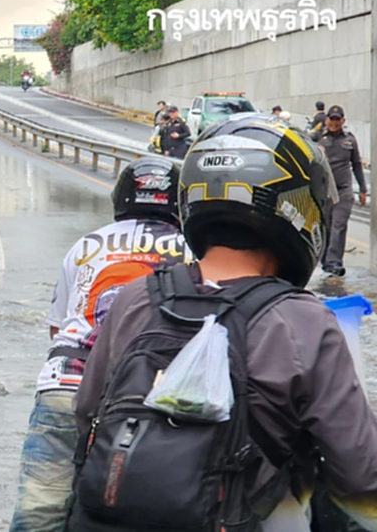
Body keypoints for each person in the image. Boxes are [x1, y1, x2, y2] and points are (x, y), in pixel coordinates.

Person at [71, 114, 377, 532]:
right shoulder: (303, 319)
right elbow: (360, 474)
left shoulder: (136, 297)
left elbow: (86, 414)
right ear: (300, 206)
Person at [9, 156, 190, 532]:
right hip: (151, 397)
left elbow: (57, 330)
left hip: (67, 383)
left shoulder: (87, 244)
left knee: (40, 511)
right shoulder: (193, 251)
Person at [310, 105, 368, 277]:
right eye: (331, 119)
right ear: (326, 120)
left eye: (338, 120)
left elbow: (357, 164)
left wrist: (363, 189)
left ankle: (334, 262)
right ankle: (325, 261)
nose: (334, 123)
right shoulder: (317, 138)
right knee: (325, 227)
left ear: (343, 121)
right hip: (324, 192)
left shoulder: (350, 140)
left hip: (343, 191)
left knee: (339, 225)